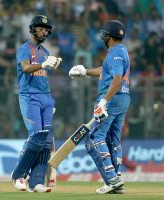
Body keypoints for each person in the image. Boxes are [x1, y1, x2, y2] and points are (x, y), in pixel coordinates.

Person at [69, 20, 130, 194]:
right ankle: (117, 181)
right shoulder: (121, 51)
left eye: (105, 35)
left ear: (109, 37)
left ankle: (111, 178)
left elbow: (117, 79)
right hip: (123, 99)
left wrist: (104, 101)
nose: (103, 38)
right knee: (114, 140)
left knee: (97, 138)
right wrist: (84, 71)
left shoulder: (115, 54)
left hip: (112, 99)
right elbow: (105, 72)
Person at [11, 15, 61, 193]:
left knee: (46, 141)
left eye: (47, 29)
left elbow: (43, 75)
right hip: (29, 96)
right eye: (41, 28)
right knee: (37, 136)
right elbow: (25, 67)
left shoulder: (45, 52)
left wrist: (50, 63)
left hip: (46, 97)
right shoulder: (24, 49)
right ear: (32, 29)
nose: (44, 31)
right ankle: (18, 175)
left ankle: (37, 181)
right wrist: (43, 64)